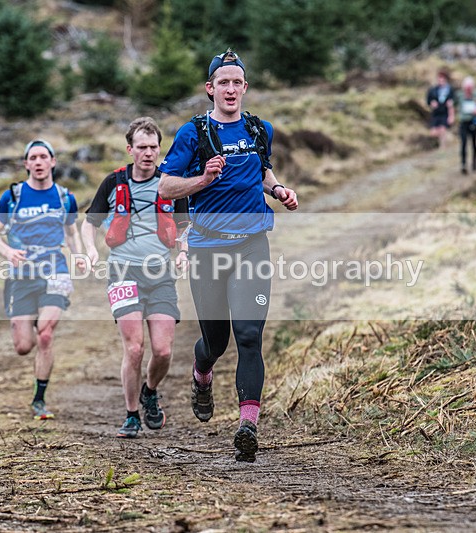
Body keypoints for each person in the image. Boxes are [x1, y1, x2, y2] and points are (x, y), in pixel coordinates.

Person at [157, 50, 298, 462]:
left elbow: (263, 170)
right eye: (223, 82)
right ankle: (202, 374)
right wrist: (203, 178)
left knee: (250, 336)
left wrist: (278, 190)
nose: (231, 89)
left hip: (253, 243)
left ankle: (247, 427)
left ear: (245, 88)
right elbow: (165, 189)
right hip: (207, 249)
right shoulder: (193, 133)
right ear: (210, 88)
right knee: (216, 341)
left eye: (237, 82)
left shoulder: (259, 128)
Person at [81, 117, 190, 439]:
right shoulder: (113, 183)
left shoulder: (171, 184)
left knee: (163, 350)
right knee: (134, 349)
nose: (148, 153)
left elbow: (185, 226)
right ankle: (131, 415)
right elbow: (89, 222)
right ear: (130, 149)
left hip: (160, 275)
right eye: (141, 147)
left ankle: (150, 390)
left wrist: (184, 251)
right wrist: (89, 250)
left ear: (159, 149)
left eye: (153, 147)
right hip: (122, 271)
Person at [0, 139, 85, 420]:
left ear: (53, 162)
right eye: (33, 158)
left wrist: (78, 256)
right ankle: (25, 320)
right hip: (22, 276)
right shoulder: (13, 197)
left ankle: (39, 400)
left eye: (44, 157)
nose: (39, 162)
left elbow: (71, 232)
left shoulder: (65, 197)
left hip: (56, 271)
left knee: (45, 334)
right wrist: (7, 251)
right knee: (23, 346)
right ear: (26, 164)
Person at [456, 76, 476, 174]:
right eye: (467, 87)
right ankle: (463, 164)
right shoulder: (459, 95)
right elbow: (454, 105)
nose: (468, 90)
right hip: (463, 121)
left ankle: (474, 163)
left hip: (473, 121)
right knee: (463, 143)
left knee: (474, 143)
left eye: (470, 87)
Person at [426, 69, 455, 147]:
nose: (440, 80)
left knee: (443, 129)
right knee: (433, 132)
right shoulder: (433, 90)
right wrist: (431, 103)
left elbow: (452, 103)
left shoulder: (449, 89)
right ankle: (441, 142)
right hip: (436, 112)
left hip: (445, 111)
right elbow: (428, 100)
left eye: (442, 78)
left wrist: (451, 115)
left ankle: (443, 146)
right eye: (439, 78)